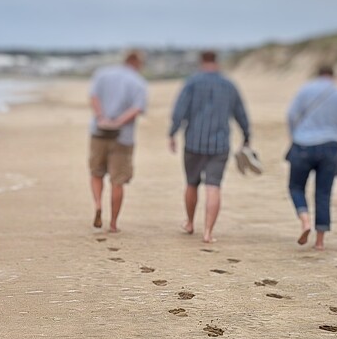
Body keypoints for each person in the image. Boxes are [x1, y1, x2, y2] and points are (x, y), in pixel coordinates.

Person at [168, 51, 251, 243]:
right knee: (213, 186)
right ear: (216, 61)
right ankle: (208, 233)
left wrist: (172, 132)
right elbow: (241, 113)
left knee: (191, 183)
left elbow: (180, 110)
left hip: (194, 142)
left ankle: (189, 222)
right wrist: (247, 136)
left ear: (201, 61)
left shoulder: (191, 83)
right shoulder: (229, 85)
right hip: (220, 144)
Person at [285, 64, 337, 250]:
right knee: (323, 193)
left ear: (318, 74)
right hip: (332, 146)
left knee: (296, 187)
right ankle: (320, 242)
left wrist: (294, 135)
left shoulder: (306, 89)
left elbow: (291, 115)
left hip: (303, 144)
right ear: (332, 75)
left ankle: (305, 222)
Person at [88, 51, 148, 233]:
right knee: (118, 181)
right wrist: (118, 122)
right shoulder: (138, 82)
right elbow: (137, 108)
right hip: (123, 136)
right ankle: (113, 223)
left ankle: (98, 204)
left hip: (98, 131)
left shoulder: (102, 74)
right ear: (137, 63)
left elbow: (94, 97)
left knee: (96, 173)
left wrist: (101, 117)